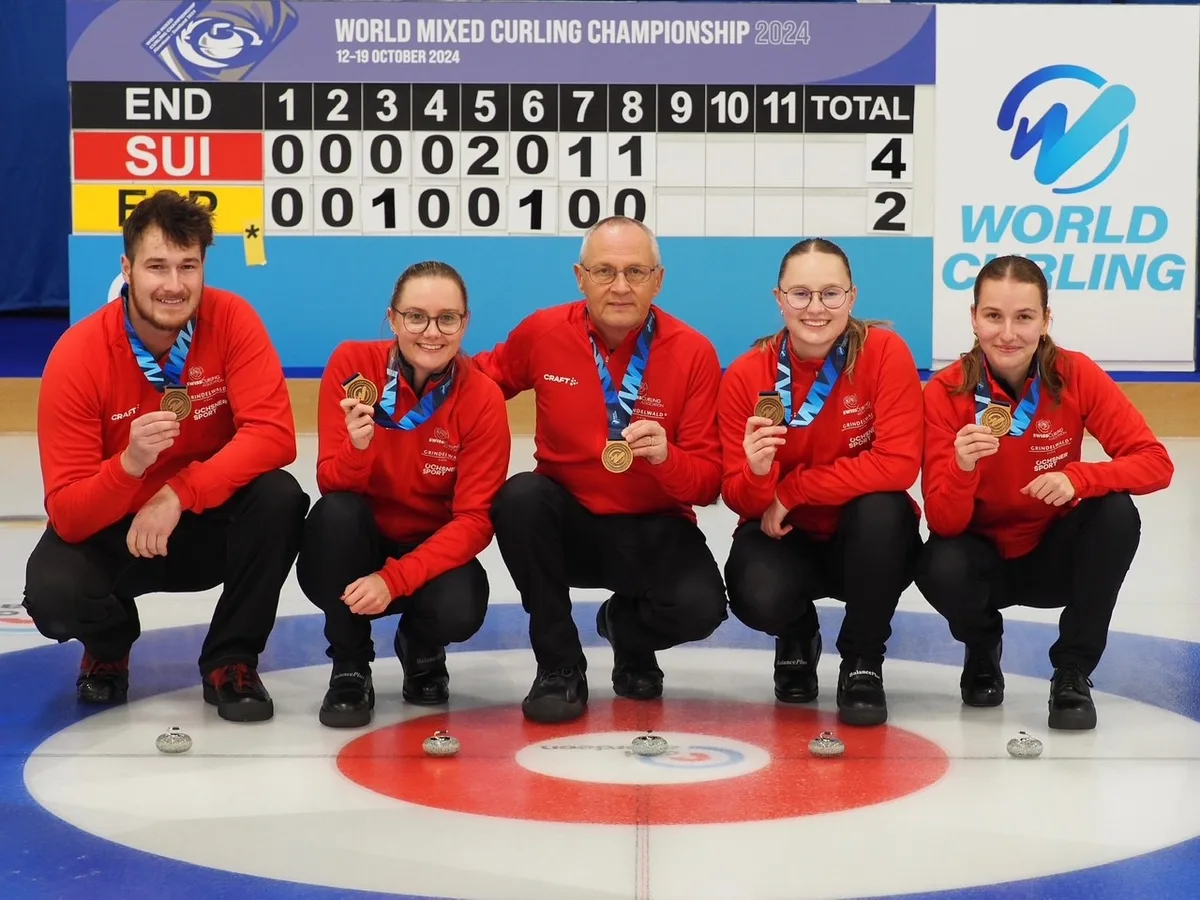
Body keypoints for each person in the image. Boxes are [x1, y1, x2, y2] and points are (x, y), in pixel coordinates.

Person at [23, 189, 310, 722]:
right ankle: (109, 645)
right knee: (52, 594)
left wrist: (180, 491)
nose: (174, 285)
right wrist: (129, 466)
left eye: (188, 266)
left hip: (201, 520)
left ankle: (232, 659)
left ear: (204, 266)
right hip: (117, 529)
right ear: (127, 268)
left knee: (280, 498)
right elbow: (66, 511)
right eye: (157, 266)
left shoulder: (233, 320)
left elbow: (274, 436)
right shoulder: (78, 354)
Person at [477, 215, 728, 724]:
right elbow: (474, 385)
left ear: (658, 281)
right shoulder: (544, 331)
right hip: (566, 524)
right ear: (580, 277)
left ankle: (626, 632)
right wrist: (396, 388)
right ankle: (559, 666)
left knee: (702, 609)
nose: (619, 286)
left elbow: (706, 484)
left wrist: (667, 457)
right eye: (604, 271)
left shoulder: (694, 351)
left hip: (655, 524)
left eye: (635, 272)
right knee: (520, 497)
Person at [915, 255, 1173, 730]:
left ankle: (1072, 671)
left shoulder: (1075, 374)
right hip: (982, 561)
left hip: (1053, 556)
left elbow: (1157, 464)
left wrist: (1080, 477)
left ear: (1046, 320)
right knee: (937, 564)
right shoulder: (945, 392)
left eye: (1024, 317)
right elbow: (944, 523)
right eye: (993, 316)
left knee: (1115, 513)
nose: (1008, 333)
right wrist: (962, 466)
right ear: (973, 317)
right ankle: (982, 645)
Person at [717, 238, 924, 727]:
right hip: (784, 538)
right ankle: (797, 634)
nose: (816, 308)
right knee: (755, 588)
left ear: (852, 298)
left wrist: (794, 490)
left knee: (883, 509)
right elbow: (738, 498)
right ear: (778, 298)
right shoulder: (748, 375)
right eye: (801, 294)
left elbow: (898, 466)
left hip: (865, 541)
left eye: (831, 294)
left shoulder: (884, 352)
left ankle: (862, 661)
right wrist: (758, 470)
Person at [296, 261, 510, 728]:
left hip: (427, 552)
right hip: (358, 542)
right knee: (336, 515)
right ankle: (350, 663)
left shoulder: (482, 397)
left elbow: (475, 520)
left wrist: (394, 580)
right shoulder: (353, 366)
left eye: (447, 318)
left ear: (465, 322)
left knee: (462, 605)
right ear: (392, 320)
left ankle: (421, 646)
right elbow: (332, 484)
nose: (431, 332)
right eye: (416, 316)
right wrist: (357, 449)